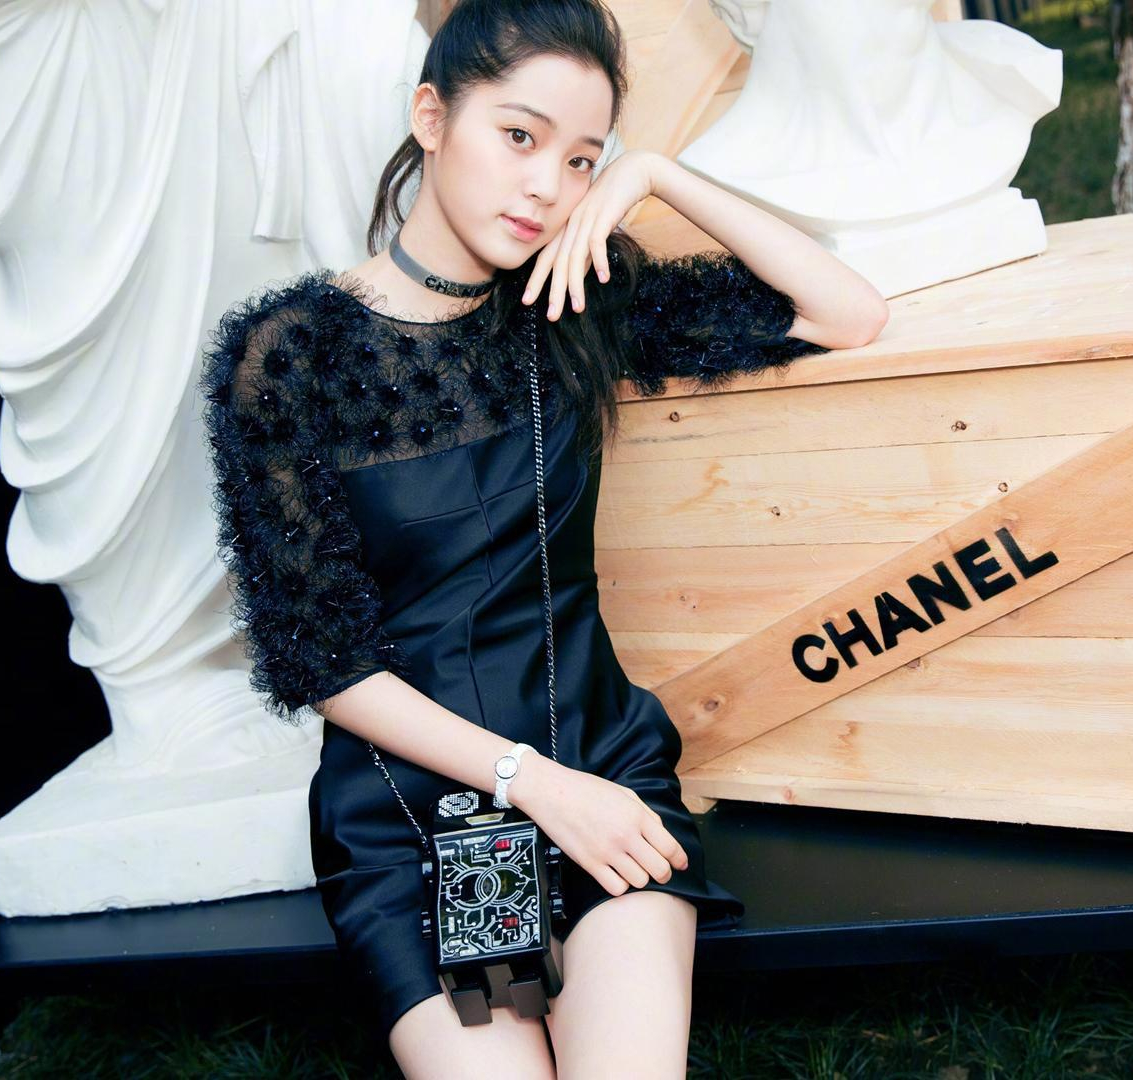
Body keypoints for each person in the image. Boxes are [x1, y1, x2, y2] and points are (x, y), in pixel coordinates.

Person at [199, 0, 887, 1074]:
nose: (545, 186)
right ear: (432, 117)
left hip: (600, 772)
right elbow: (323, 664)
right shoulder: (291, 356)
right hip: (414, 816)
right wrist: (534, 787)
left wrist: (653, 174)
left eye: (579, 159)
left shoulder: (573, 297)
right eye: (518, 136)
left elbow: (846, 312)